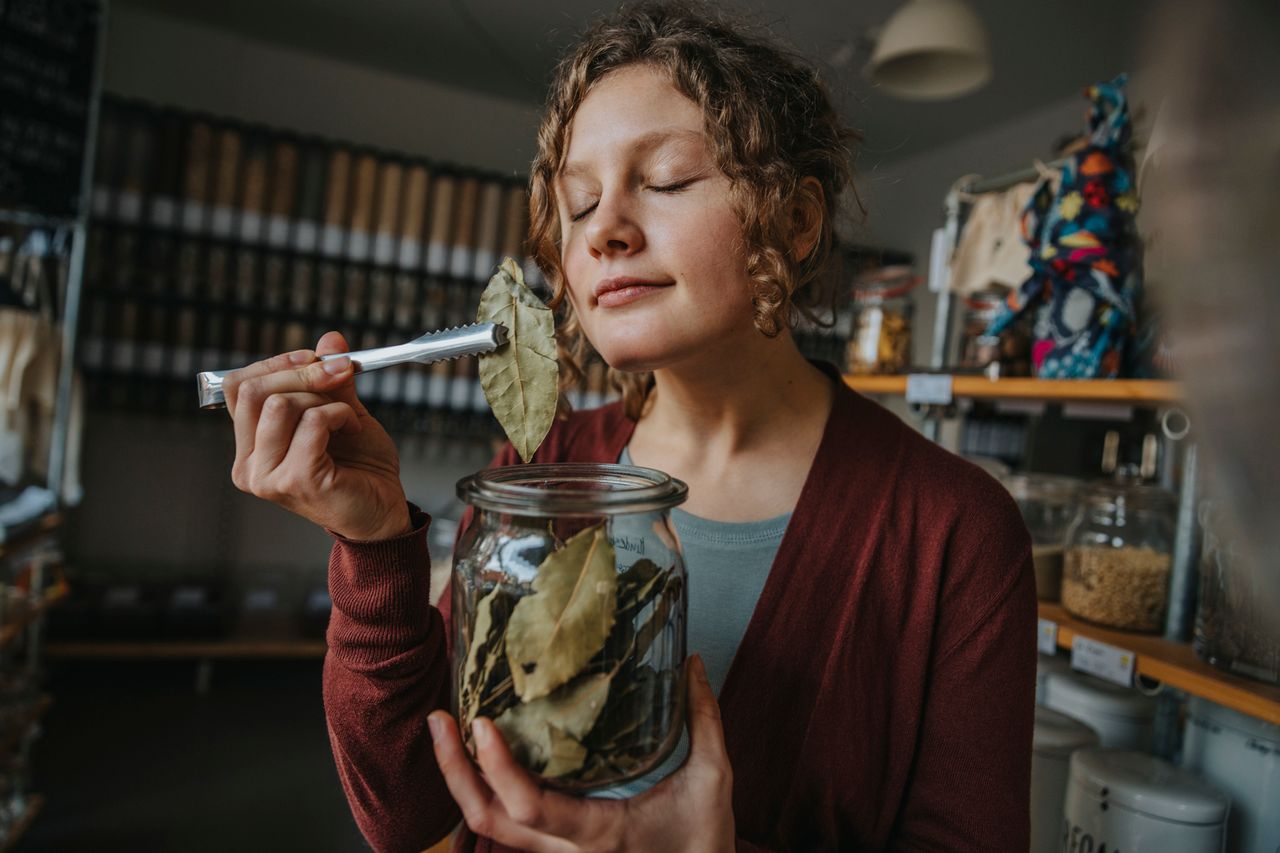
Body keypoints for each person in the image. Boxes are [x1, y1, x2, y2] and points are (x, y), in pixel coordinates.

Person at [222, 4, 1035, 851]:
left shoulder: (956, 535)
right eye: (577, 202)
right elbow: (412, 810)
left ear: (795, 223)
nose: (604, 228)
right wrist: (374, 540)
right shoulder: (540, 471)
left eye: (670, 180)